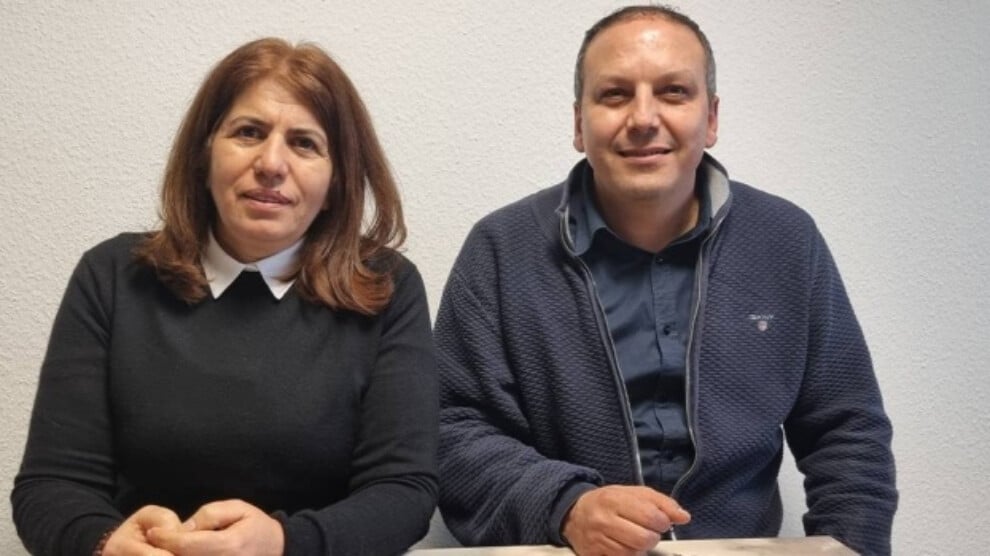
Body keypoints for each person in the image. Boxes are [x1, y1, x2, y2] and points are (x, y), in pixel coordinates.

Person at [434, 5, 896, 556]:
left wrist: (852, 545)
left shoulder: (786, 241)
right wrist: (564, 505)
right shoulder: (501, 249)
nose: (643, 118)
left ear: (711, 118)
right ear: (579, 124)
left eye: (673, 92)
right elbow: (449, 431)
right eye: (614, 94)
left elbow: (848, 431)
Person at [11, 38, 438, 556]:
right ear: (203, 155)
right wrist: (104, 543)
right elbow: (50, 486)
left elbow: (403, 493)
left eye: (304, 143)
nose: (271, 163)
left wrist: (283, 543)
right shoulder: (113, 277)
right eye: (248, 132)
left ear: (338, 182)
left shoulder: (387, 287)